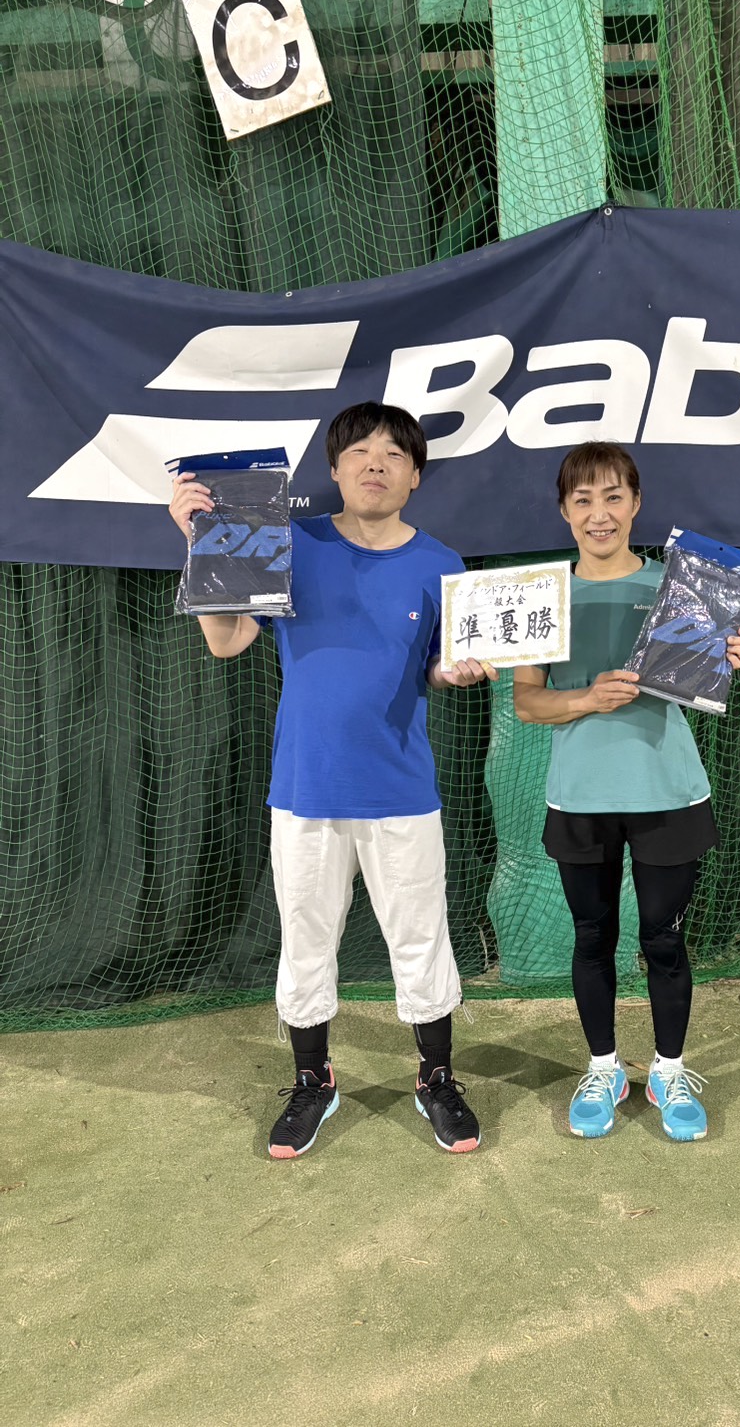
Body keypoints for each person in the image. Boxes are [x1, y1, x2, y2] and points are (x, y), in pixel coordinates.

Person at [169, 402, 495, 1159]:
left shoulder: (443, 564)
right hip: (305, 789)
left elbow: (441, 666)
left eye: (394, 453)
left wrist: (453, 672)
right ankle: (312, 1080)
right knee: (306, 938)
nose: (376, 462)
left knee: (421, 938)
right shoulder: (289, 544)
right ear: (335, 468)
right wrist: (200, 541)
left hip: (402, 792)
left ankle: (437, 1078)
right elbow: (226, 641)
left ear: (415, 476)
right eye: (359, 451)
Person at [513, 442, 740, 1143]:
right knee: (592, 938)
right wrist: (586, 698)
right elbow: (527, 702)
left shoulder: (684, 591)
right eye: (583, 499)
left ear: (636, 503)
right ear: (564, 511)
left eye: (613, 496)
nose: (600, 513)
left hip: (668, 794)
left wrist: (727, 656)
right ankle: (604, 1069)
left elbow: (702, 681)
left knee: (664, 940)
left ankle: (669, 1071)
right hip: (580, 798)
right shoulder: (541, 596)